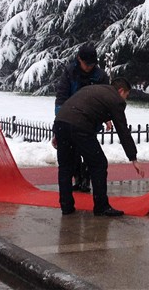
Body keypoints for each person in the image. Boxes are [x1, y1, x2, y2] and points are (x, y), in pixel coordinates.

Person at [53, 77, 144, 216]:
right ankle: (101, 206)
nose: (126, 99)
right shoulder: (115, 99)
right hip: (80, 126)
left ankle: (66, 206)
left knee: (65, 166)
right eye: (126, 95)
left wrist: (58, 134)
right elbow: (122, 130)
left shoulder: (94, 89)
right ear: (121, 91)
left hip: (60, 123)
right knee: (99, 164)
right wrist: (133, 158)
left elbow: (77, 108)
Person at [54, 44, 110, 193]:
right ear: (79, 59)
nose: (89, 67)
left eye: (92, 64)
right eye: (86, 64)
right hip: (70, 118)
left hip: (90, 120)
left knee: (90, 153)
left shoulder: (100, 76)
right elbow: (61, 97)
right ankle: (77, 178)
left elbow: (105, 99)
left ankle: (86, 179)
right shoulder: (70, 73)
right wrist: (60, 122)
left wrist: (106, 117)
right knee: (71, 154)